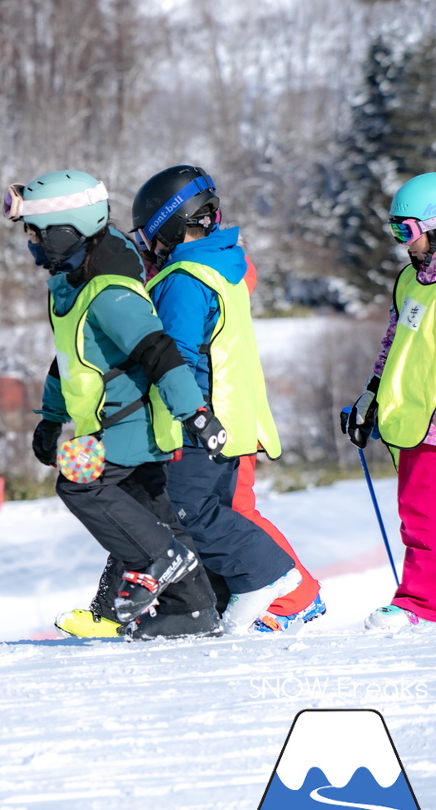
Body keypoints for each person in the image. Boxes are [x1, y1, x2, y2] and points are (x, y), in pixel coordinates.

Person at [4, 169, 228, 639]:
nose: (31, 245)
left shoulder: (109, 290)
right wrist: (50, 418)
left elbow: (159, 350)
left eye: (37, 234)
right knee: (152, 513)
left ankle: (157, 560)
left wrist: (197, 413)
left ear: (67, 232)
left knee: (79, 485)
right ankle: (193, 611)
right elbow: (68, 358)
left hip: (128, 426)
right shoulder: (74, 284)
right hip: (111, 425)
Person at [131, 165, 325, 633]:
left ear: (168, 227)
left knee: (188, 510)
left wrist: (187, 410)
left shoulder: (183, 279)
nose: (145, 249)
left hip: (198, 418)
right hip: (230, 417)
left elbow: (173, 354)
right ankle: (225, 598)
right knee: (212, 510)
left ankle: (281, 585)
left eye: (146, 237)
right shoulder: (226, 265)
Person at [341, 172, 436, 632]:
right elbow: (392, 344)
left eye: (408, 231)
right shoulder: (409, 282)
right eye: (396, 231)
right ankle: (422, 601)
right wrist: (371, 397)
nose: (403, 243)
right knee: (418, 516)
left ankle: (420, 603)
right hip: (414, 421)